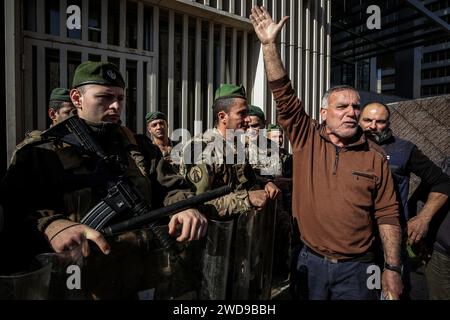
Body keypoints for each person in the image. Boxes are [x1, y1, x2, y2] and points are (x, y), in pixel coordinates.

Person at [0, 61, 207, 298]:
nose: (116, 106)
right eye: (105, 97)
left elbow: (170, 186)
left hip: (137, 279)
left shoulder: (138, 146)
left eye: (120, 98)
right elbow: (14, 211)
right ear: (77, 99)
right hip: (74, 284)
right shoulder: (41, 152)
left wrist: (185, 206)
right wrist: (52, 225)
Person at [250, 6, 402, 299]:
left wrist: (393, 268)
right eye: (341, 107)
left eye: (355, 107)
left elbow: (388, 214)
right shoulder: (306, 137)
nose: (350, 113)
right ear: (324, 113)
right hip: (309, 262)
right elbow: (284, 94)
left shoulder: (374, 155)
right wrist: (269, 46)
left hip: (358, 270)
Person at [178, 84, 279, 218]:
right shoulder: (201, 149)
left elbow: (245, 179)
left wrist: (265, 183)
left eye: (247, 113)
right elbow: (197, 205)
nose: (248, 119)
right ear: (222, 117)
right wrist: (246, 199)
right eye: (242, 113)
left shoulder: (236, 145)